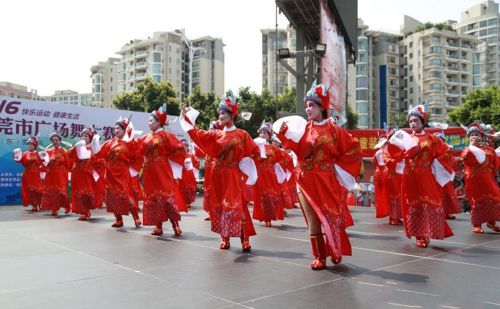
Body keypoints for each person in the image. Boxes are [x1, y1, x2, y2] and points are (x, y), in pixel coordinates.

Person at [276, 82, 361, 269]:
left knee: (331, 217)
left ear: (322, 106)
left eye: (312, 105)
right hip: (305, 180)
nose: (308, 109)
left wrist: (338, 170)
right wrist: (284, 135)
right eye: (307, 105)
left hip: (326, 180)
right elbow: (296, 149)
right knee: (313, 220)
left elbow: (353, 147)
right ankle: (319, 256)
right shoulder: (303, 130)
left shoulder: (334, 131)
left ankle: (335, 250)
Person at [180, 91, 259, 251]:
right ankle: (225, 238)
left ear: (232, 115)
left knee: (237, 205)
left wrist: (245, 164)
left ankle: (245, 238)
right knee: (220, 207)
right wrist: (187, 119)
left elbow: (254, 152)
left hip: (233, 174)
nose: (221, 116)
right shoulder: (215, 135)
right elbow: (197, 134)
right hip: (217, 175)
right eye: (220, 113)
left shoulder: (242, 134)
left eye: (224, 113)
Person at [387, 105, 455, 248]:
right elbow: (394, 154)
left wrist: (438, 162)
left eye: (415, 121)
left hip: (425, 174)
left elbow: (445, 152)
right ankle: (419, 235)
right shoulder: (405, 138)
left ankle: (429, 231)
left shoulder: (431, 139)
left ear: (423, 122)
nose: (412, 124)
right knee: (413, 203)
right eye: (410, 121)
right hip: (410, 175)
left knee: (430, 202)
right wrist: (402, 153)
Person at [137, 105, 187, 236]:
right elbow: (137, 150)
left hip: (162, 169)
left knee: (166, 198)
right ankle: (158, 226)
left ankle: (175, 225)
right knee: (153, 198)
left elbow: (180, 149)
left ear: (159, 121)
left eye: (151, 120)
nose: (149, 123)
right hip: (150, 171)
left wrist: (170, 159)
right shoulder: (146, 137)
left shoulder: (166, 135)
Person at [96, 117, 142, 228]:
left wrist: (133, 169)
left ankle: (136, 218)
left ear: (124, 129)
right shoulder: (110, 143)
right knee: (112, 196)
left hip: (122, 172)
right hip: (111, 172)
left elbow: (138, 155)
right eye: (115, 128)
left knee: (124, 195)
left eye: (118, 128)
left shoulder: (130, 143)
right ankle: (118, 220)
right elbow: (99, 153)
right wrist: (94, 143)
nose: (115, 130)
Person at [461, 123, 500, 233]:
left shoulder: (489, 149)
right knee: (476, 202)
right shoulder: (467, 150)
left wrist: (491, 173)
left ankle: (491, 222)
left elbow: (495, 163)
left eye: (476, 134)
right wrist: (471, 147)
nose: (474, 136)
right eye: (471, 135)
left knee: (493, 198)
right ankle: (476, 224)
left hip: (487, 178)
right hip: (474, 180)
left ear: (482, 137)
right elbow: (465, 159)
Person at [252, 122, 287, 227]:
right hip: (259, 175)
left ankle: (270, 216)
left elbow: (284, 158)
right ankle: (266, 218)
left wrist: (279, 168)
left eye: (265, 133)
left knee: (271, 196)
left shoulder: (274, 148)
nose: (262, 134)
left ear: (269, 135)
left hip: (270, 174)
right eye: (261, 133)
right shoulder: (255, 147)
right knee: (262, 197)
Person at [69, 128, 100, 220]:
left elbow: (96, 160)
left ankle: (86, 210)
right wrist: (76, 148)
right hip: (77, 173)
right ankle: (83, 212)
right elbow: (70, 155)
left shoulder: (92, 149)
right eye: (82, 135)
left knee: (85, 193)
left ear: (90, 138)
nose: (83, 137)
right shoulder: (77, 146)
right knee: (77, 193)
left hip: (86, 173)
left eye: (86, 136)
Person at [40, 132, 71, 216]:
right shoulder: (48, 151)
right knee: (52, 191)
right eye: (53, 140)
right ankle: (54, 209)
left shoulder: (64, 151)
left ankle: (67, 206)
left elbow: (68, 164)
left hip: (61, 174)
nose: (55, 142)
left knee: (61, 192)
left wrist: (69, 174)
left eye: (56, 140)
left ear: (60, 141)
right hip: (51, 174)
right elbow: (44, 163)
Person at [434, 132, 462, 220]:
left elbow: (452, 162)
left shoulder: (447, 150)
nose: (439, 141)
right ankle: (437, 212)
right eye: (437, 139)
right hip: (434, 176)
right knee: (436, 195)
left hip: (444, 177)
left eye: (441, 140)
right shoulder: (431, 150)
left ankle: (446, 212)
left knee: (446, 195)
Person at [13, 136, 44, 212]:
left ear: (35, 146)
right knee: (30, 190)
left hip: (36, 174)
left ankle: (41, 203)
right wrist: (16, 154)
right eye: (28, 144)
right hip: (27, 174)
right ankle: (34, 205)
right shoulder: (25, 154)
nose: (29, 145)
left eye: (31, 144)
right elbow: (18, 160)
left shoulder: (38, 154)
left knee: (38, 189)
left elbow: (43, 163)